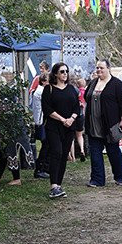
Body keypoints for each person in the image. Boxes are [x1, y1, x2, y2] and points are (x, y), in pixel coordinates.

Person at [84, 60, 122, 187]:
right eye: (97, 68)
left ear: (108, 68)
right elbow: (87, 97)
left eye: (101, 68)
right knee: (95, 152)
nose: (99, 70)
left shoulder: (117, 84)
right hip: (93, 125)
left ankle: (120, 177)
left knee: (113, 151)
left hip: (110, 125)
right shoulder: (93, 83)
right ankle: (97, 179)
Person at [41, 62, 81, 198]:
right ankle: (53, 185)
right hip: (54, 126)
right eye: (62, 71)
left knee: (64, 155)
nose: (65, 74)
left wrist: (71, 118)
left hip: (69, 127)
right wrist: (62, 119)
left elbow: (77, 106)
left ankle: (58, 185)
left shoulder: (71, 89)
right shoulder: (49, 89)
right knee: (56, 152)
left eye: (66, 71)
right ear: (56, 73)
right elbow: (47, 109)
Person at [31, 73, 50, 179]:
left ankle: (43, 168)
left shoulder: (39, 91)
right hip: (41, 121)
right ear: (43, 81)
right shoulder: (41, 92)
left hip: (40, 121)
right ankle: (40, 169)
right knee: (45, 145)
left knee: (46, 145)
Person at [75, 78, 87, 161]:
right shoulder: (86, 92)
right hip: (82, 114)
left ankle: (71, 156)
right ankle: (82, 150)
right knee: (80, 135)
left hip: (74, 115)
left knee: (71, 136)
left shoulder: (76, 92)